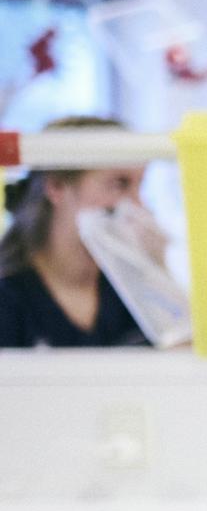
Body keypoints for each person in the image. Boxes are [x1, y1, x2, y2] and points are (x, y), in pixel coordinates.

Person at [0, 116, 156, 349]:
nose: (137, 205)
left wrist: (159, 273)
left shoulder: (133, 292)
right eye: (120, 184)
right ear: (57, 187)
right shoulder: (9, 298)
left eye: (139, 186)